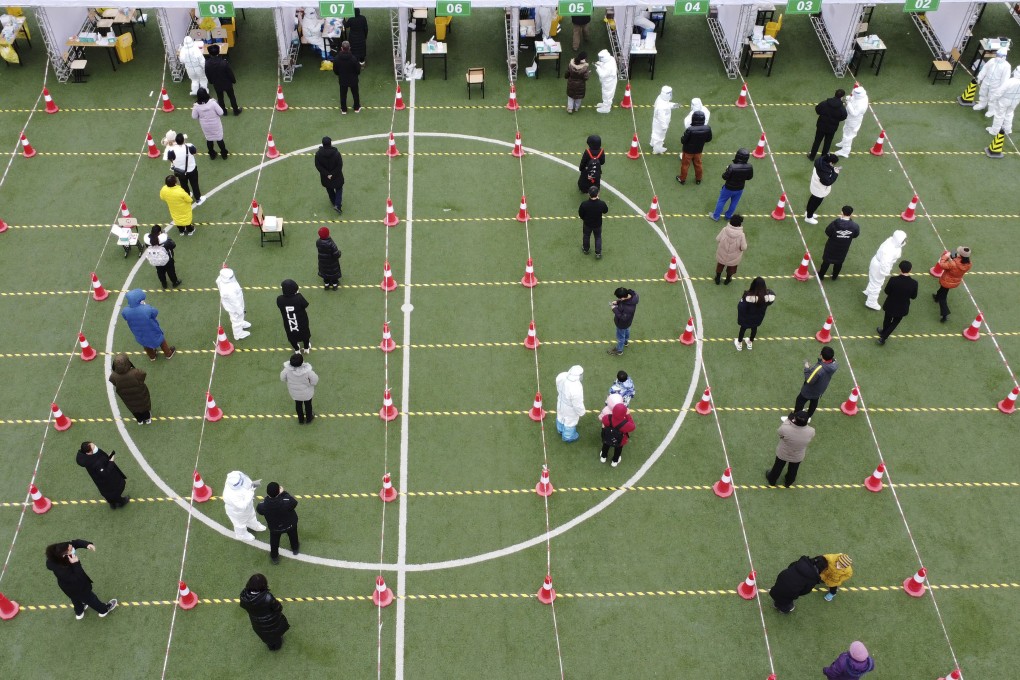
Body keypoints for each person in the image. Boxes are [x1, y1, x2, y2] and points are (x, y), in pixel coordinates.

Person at [45, 540, 118, 620]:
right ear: (64, 555)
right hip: (78, 587)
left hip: (66, 588)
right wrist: (76, 563)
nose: (73, 548)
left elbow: (74, 543)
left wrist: (86, 544)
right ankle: (104, 610)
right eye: (71, 549)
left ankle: (79, 612)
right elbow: (78, 577)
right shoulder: (61, 570)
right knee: (91, 599)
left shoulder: (57, 553)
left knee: (75, 600)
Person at [121, 289, 176, 360]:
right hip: (152, 330)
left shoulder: (125, 310)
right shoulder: (146, 309)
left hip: (138, 333)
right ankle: (168, 353)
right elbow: (155, 312)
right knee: (161, 340)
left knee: (145, 344)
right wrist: (145, 306)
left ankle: (152, 356)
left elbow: (125, 317)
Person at [239, 574, 290, 650]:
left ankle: (271, 646)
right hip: (272, 623)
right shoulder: (267, 597)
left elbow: (242, 605)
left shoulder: (244, 596)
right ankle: (276, 647)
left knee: (266, 638)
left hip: (257, 624)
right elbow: (278, 608)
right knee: (276, 638)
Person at [767, 410, 816, 487]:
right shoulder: (811, 431)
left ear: (795, 419)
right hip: (797, 455)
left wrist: (788, 420)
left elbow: (779, 433)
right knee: (793, 469)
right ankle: (788, 482)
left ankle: (772, 480)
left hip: (783, 453)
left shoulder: (785, 428)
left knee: (778, 467)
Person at [256, 482, 300, 564]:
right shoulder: (286, 501)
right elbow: (294, 502)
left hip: (275, 528)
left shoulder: (263, 505)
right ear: (278, 491)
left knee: (274, 541)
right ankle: (295, 549)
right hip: (290, 524)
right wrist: (284, 493)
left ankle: (274, 557)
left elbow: (259, 510)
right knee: (293, 536)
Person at [863, 230, 907, 310]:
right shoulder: (890, 250)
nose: (904, 241)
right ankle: (871, 302)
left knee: (873, 280)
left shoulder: (891, 241)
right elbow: (885, 262)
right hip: (879, 266)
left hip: (876, 262)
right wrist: (885, 272)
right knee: (877, 284)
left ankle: (869, 291)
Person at [76, 442, 128, 508]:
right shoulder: (94, 462)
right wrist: (111, 462)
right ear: (88, 452)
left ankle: (112, 504)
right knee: (113, 491)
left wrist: (107, 459)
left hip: (99, 480)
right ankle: (121, 502)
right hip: (106, 480)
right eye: (93, 447)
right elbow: (105, 473)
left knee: (107, 493)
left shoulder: (87, 458)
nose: (95, 448)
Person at [877, 260, 918, 345]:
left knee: (887, 319)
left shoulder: (893, 280)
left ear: (900, 269)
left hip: (890, 304)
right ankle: (883, 337)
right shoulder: (914, 283)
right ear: (910, 270)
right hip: (902, 307)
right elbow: (913, 297)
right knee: (895, 322)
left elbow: (887, 291)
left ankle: (883, 332)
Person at [792, 347, 838, 420]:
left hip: (809, 390)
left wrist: (807, 368)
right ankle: (808, 416)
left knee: (799, 401)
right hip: (820, 389)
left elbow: (809, 380)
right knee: (814, 402)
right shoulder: (834, 364)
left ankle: (795, 417)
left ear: (821, 355)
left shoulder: (819, 368)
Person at [818, 206, 860, 280]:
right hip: (844, 247)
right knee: (839, 262)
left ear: (841, 212)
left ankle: (821, 275)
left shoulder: (835, 223)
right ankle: (834, 276)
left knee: (826, 261)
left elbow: (827, 232)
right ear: (851, 214)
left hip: (832, 246)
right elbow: (855, 235)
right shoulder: (855, 226)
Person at [711, 148, 753, 222]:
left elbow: (724, 177)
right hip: (740, 188)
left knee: (721, 201)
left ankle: (716, 216)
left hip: (728, 188)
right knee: (734, 203)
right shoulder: (749, 166)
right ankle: (728, 216)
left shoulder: (732, 166)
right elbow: (749, 177)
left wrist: (727, 170)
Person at [223, 471, 267, 541]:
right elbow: (242, 505)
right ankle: (241, 535)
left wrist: (253, 485)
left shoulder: (236, 474)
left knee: (251, 515)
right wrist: (250, 493)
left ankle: (253, 525)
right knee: (240, 524)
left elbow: (247, 481)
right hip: (238, 512)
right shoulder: (229, 494)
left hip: (248, 506)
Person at [109, 353, 152, 424]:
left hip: (126, 397)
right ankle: (147, 419)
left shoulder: (113, 376)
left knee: (133, 408)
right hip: (140, 393)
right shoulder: (135, 372)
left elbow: (113, 382)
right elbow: (143, 374)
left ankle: (140, 420)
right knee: (143, 406)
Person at [735, 276, 775, 351]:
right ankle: (750, 342)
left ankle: (739, 344)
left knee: (743, 329)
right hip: (758, 318)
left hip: (747, 318)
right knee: (754, 328)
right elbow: (771, 299)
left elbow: (741, 307)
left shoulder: (748, 297)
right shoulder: (768, 296)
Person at [932, 247, 972, 323]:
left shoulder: (953, 264)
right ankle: (936, 297)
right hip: (955, 281)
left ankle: (945, 314)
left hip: (947, 280)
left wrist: (946, 256)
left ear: (961, 255)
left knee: (943, 298)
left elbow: (942, 264)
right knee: (943, 290)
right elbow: (956, 258)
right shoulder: (969, 264)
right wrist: (952, 252)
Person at [164, 132, 202, 207]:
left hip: (180, 171)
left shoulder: (171, 150)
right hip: (192, 169)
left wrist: (175, 163)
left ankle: (187, 195)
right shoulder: (190, 146)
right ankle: (198, 199)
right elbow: (195, 152)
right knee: (194, 184)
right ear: (183, 140)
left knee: (184, 184)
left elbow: (170, 159)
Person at [809, 89, 847, 160]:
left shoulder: (825, 103)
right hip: (832, 128)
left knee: (817, 141)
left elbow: (817, 109)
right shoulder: (841, 108)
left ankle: (812, 156)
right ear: (842, 97)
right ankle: (823, 158)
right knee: (827, 143)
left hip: (821, 125)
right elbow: (844, 116)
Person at [281, 353, 319, 425]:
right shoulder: (308, 372)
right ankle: (309, 419)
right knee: (308, 405)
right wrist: (310, 384)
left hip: (294, 393)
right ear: (302, 362)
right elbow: (315, 380)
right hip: (307, 393)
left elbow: (282, 378)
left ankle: (300, 419)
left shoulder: (286, 370)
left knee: (298, 405)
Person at [191, 88, 228, 160]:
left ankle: (212, 154)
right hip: (215, 124)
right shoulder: (213, 103)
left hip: (205, 125)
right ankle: (224, 154)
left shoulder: (196, 106)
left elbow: (194, 116)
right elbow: (221, 112)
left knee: (209, 139)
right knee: (219, 138)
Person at [677, 110, 712, 185]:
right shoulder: (707, 128)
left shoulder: (690, 129)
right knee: (698, 164)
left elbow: (683, 140)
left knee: (685, 165)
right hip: (698, 150)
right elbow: (709, 139)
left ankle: (682, 179)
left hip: (688, 151)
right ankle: (698, 179)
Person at [204, 43, 241, 115]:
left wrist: (211, 81)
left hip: (217, 83)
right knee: (232, 97)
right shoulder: (223, 62)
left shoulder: (207, 64)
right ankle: (236, 111)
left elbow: (207, 73)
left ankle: (223, 111)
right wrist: (233, 80)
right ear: (218, 52)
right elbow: (229, 73)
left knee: (220, 98)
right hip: (227, 83)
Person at [277, 279, 311, 353]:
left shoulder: (279, 299)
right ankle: (306, 348)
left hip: (289, 323)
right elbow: (305, 305)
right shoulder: (299, 297)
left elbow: (280, 306)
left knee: (291, 337)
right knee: (305, 335)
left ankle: (296, 349)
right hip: (302, 321)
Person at [216, 266, 251, 340]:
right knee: (236, 319)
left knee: (238, 318)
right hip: (234, 307)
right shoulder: (229, 290)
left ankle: (241, 323)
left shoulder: (220, 280)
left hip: (232, 304)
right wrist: (240, 311)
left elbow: (218, 279)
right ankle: (238, 334)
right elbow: (235, 303)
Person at [804, 154, 840, 224]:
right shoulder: (824, 172)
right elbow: (827, 182)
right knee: (815, 203)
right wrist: (835, 174)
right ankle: (808, 217)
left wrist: (832, 169)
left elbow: (827, 168)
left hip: (815, 186)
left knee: (812, 199)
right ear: (830, 162)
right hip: (819, 189)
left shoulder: (820, 161)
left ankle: (808, 213)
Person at [834, 85, 868, 158]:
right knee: (845, 130)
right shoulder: (861, 97)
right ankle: (843, 143)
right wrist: (849, 98)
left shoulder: (861, 104)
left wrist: (848, 103)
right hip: (850, 119)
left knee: (848, 135)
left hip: (854, 120)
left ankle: (845, 151)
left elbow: (854, 113)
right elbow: (853, 97)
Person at [554, 365, 586, 442]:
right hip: (570, 408)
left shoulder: (562, 376)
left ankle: (560, 429)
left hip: (561, 401)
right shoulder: (577, 386)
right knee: (570, 421)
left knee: (560, 415)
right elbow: (577, 403)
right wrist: (581, 412)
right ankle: (568, 436)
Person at [599, 401, 636, 467]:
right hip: (620, 440)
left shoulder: (607, 417)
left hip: (607, 436)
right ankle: (614, 461)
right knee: (618, 449)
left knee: (605, 445)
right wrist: (628, 415)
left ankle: (603, 457)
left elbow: (603, 420)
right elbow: (633, 426)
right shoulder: (626, 424)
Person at [714, 214, 747, 285]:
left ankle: (717, 278)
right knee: (731, 268)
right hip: (734, 257)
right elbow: (743, 247)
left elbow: (718, 239)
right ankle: (727, 280)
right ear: (739, 224)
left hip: (722, 253)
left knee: (720, 265)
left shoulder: (724, 229)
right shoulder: (741, 235)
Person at [314, 136, 345, 214]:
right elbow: (339, 165)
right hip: (337, 176)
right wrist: (332, 174)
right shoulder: (336, 154)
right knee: (339, 189)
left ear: (323, 144)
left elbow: (318, 166)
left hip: (325, 177)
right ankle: (337, 205)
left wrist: (327, 174)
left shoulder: (318, 154)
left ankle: (334, 202)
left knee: (329, 189)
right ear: (330, 143)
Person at [986, 66, 1020, 134]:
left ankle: (994, 131)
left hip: (1004, 100)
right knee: (1009, 114)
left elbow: (1000, 91)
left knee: (999, 115)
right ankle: (1007, 130)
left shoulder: (1010, 81)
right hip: (1015, 101)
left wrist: (992, 98)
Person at [578, 185, 608, 258]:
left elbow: (580, 214)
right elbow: (605, 211)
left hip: (587, 224)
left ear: (589, 194)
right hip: (597, 224)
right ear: (598, 193)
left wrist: (584, 219)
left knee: (586, 236)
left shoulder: (584, 204)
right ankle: (598, 253)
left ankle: (586, 249)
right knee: (598, 237)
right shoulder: (601, 204)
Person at [332, 41, 361, 114]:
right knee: (355, 94)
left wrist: (340, 74)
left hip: (343, 79)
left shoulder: (337, 58)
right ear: (349, 48)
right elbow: (358, 70)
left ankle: (344, 109)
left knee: (343, 95)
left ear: (341, 48)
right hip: (353, 80)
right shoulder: (354, 59)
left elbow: (335, 70)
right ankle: (356, 108)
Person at [608, 287, 639, 356]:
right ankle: (626, 342)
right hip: (628, 323)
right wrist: (617, 302)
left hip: (621, 324)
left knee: (620, 338)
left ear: (622, 297)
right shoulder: (631, 295)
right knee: (627, 331)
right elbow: (623, 301)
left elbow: (623, 318)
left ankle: (619, 350)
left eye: (619, 298)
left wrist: (614, 309)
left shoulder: (628, 308)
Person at [649, 85, 680, 154]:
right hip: (660, 124)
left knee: (655, 133)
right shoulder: (661, 106)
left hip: (657, 122)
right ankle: (657, 149)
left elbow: (667, 105)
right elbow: (661, 117)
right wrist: (664, 126)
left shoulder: (661, 98)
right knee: (659, 136)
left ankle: (652, 143)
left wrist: (675, 105)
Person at [593, 49, 617, 113]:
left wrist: (598, 67)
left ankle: (606, 108)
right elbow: (604, 64)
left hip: (609, 82)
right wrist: (600, 64)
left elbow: (602, 74)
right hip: (607, 81)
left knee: (607, 94)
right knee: (605, 93)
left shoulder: (609, 66)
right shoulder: (610, 58)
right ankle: (604, 104)